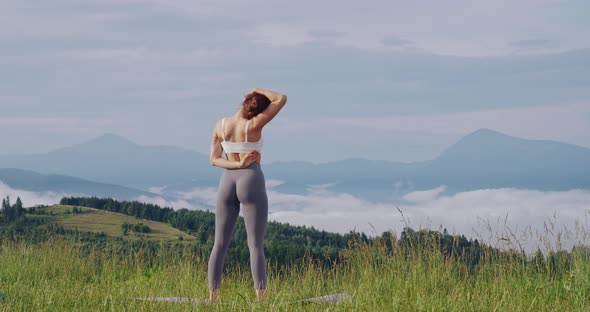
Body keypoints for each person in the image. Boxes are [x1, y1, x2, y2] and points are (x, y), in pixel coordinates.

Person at [208, 88, 287, 303]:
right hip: (251, 179)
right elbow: (281, 98)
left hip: (227, 181)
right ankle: (261, 300)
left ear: (244, 102)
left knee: (219, 244)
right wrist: (258, 90)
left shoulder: (220, 125)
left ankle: (213, 298)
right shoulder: (254, 124)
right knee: (255, 244)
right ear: (257, 111)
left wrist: (235, 164)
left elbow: (214, 160)